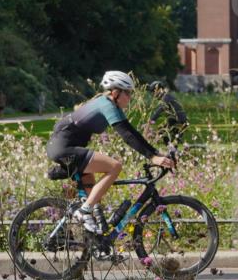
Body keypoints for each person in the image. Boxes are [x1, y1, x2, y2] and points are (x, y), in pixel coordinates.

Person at [46, 71, 174, 237]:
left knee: (93, 194)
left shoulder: (110, 105)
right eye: (127, 93)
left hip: (65, 147)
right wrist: (153, 157)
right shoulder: (106, 105)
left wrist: (156, 153)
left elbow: (132, 132)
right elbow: (126, 136)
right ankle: (84, 212)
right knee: (114, 167)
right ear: (115, 93)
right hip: (63, 147)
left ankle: (95, 238)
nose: (130, 97)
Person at [147, 80, 189, 146]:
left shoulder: (165, 97)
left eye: (153, 92)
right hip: (177, 121)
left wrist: (151, 121)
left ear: (159, 90)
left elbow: (160, 109)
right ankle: (172, 151)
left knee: (163, 134)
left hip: (178, 121)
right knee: (167, 138)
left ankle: (176, 150)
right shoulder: (166, 96)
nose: (153, 94)